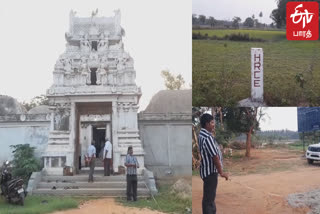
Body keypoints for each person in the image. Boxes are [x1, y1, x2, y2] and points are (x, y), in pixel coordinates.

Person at [198, 113, 229, 214]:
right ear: (207, 124)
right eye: (212, 123)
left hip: (207, 171)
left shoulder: (202, 135)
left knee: (209, 198)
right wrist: (221, 172)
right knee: (209, 200)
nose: (213, 125)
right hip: (210, 172)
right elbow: (215, 157)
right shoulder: (207, 137)